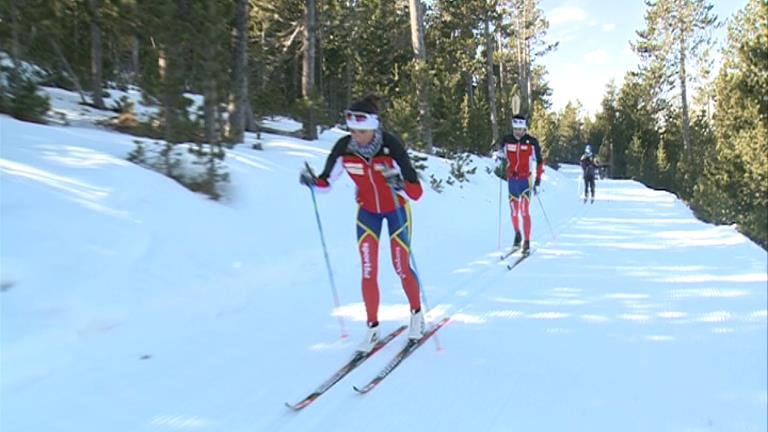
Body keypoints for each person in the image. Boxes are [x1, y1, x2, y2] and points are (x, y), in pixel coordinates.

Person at [299, 95, 425, 353]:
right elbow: (326, 183)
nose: (357, 136)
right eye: (353, 130)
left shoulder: (391, 146)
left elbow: (416, 192)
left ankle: (416, 314)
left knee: (401, 266)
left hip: (397, 211)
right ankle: (372, 327)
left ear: (374, 127)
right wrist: (312, 181)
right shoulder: (345, 148)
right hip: (367, 213)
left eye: (363, 131)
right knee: (368, 270)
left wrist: (398, 183)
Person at [494, 115, 543, 254]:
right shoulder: (506, 140)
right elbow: (500, 154)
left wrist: (538, 181)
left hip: (525, 180)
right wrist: (497, 158)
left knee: (524, 210)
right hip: (512, 181)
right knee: (514, 211)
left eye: (520, 129)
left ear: (525, 128)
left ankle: (527, 241)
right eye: (515, 129)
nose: (518, 132)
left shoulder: (531, 142)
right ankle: (517, 234)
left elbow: (539, 162)